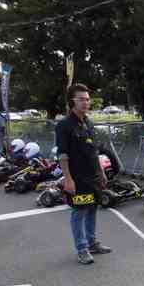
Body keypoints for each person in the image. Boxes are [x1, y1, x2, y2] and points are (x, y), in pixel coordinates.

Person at [55, 83, 111, 265]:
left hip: (93, 177)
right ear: (72, 101)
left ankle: (92, 243)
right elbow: (62, 154)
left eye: (87, 99)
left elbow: (93, 151)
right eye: (81, 99)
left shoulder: (88, 123)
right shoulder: (64, 125)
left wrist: (101, 173)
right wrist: (68, 179)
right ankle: (82, 248)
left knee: (92, 208)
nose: (86, 102)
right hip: (77, 179)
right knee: (79, 212)